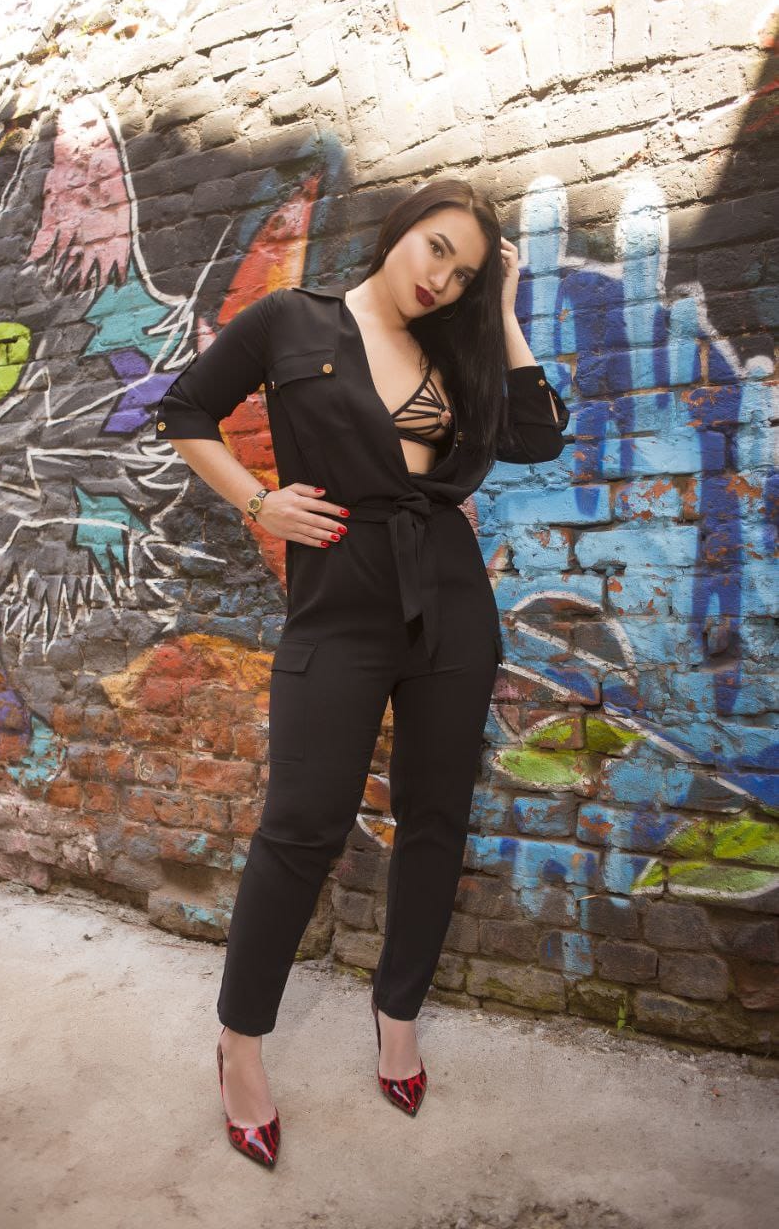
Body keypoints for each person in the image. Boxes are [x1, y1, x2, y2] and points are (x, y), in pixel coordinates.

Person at [154, 177, 571, 1168]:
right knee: (302, 824)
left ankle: (398, 1015)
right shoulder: (291, 322)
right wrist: (258, 502)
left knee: (435, 815)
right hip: (339, 599)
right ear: (398, 232)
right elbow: (185, 408)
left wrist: (502, 313)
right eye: (436, 249)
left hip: (451, 601)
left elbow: (540, 432)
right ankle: (240, 1043)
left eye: (464, 273)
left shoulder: (458, 350)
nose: (442, 279)